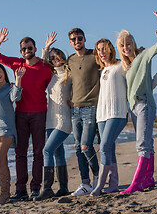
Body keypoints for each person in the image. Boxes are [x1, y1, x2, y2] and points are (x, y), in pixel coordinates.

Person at [0, 28, 53, 201]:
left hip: (40, 113)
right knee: (20, 153)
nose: (27, 51)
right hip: (21, 114)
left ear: (34, 48)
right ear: (20, 52)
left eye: (29, 48)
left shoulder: (45, 67)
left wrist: (46, 51)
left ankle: (35, 188)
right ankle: (20, 190)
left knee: (38, 153)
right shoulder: (17, 64)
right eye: (24, 49)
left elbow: (57, 80)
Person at [118, 11, 157, 194]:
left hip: (145, 105)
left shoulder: (144, 56)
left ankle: (136, 183)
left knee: (142, 145)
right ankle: (148, 179)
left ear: (134, 44)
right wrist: (155, 80)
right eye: (122, 45)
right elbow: (143, 85)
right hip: (135, 108)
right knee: (148, 144)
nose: (126, 47)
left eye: (128, 44)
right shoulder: (127, 67)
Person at [34, 32, 72, 201]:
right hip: (50, 120)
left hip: (64, 120)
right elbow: (41, 64)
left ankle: (47, 188)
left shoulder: (69, 75)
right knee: (58, 153)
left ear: (62, 57)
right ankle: (63, 187)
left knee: (47, 150)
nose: (54, 60)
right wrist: (46, 48)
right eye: (52, 58)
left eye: (56, 57)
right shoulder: (50, 75)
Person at [89, 38, 129, 196]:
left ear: (111, 49)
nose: (102, 52)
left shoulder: (121, 66)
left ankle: (99, 186)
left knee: (104, 147)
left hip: (118, 113)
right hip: (102, 114)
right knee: (109, 148)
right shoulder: (102, 70)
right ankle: (113, 184)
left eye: (104, 49)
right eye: (99, 50)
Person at [0, 63, 26, 204]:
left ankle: (4, 195)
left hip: (6, 129)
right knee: (0, 162)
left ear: (4, 72)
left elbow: (17, 97)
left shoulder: (10, 88)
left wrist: (18, 79)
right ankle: (4, 195)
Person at [67, 28, 100, 196]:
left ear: (85, 38)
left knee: (86, 146)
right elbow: (57, 69)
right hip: (75, 108)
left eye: (79, 38)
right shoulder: (70, 60)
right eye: (73, 39)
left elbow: (113, 62)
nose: (76, 41)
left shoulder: (95, 55)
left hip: (91, 106)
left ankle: (97, 177)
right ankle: (85, 183)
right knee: (78, 148)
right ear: (70, 42)